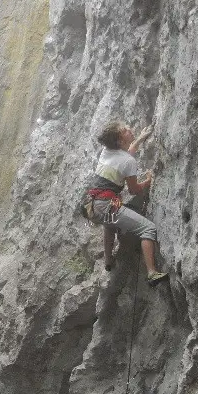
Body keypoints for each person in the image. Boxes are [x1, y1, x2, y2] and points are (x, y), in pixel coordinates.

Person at [86, 121, 168, 285]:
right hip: (109, 205)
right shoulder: (128, 162)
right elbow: (134, 190)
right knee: (148, 228)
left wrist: (138, 140)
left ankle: (109, 262)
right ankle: (152, 273)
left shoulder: (106, 151)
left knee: (109, 226)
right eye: (124, 130)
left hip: (94, 205)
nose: (129, 129)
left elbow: (125, 156)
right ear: (119, 141)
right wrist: (148, 181)